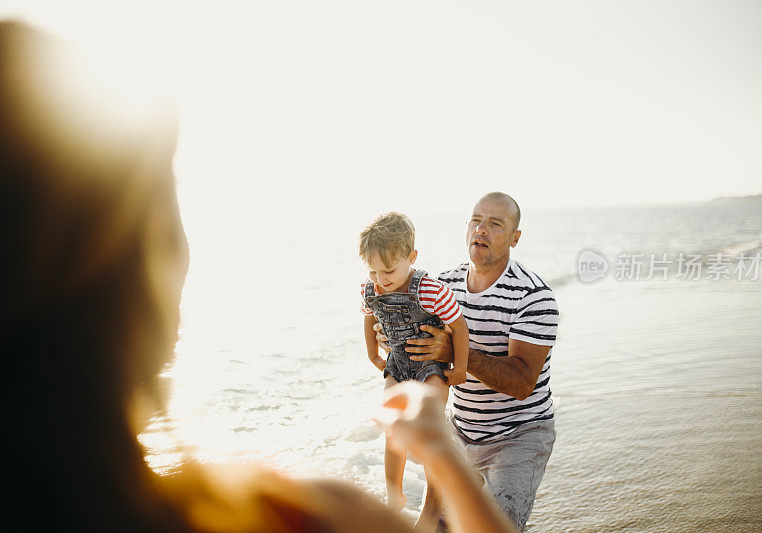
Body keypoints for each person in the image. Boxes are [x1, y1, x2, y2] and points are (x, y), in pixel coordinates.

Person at [0, 21, 517, 533]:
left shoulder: (429, 287)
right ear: (147, 284)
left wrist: (443, 366)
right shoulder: (285, 515)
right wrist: (447, 458)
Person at [376, 192, 559, 531]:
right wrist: (388, 336)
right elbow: (417, 346)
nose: (481, 230)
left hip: (519, 434)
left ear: (515, 237)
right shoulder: (440, 286)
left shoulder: (534, 296)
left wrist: (454, 352)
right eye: (476, 220)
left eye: (495, 224)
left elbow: (521, 384)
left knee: (496, 527)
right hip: (460, 428)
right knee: (442, 527)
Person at [358, 212, 469, 523]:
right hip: (397, 366)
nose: (381, 279)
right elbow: (368, 318)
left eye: (389, 270)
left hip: (430, 368)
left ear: (412, 257)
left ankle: (438, 494)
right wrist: (372, 355)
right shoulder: (370, 289)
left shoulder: (429, 290)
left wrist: (459, 369)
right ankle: (395, 494)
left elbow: (459, 327)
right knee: (392, 426)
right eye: (373, 271)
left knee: (430, 431)